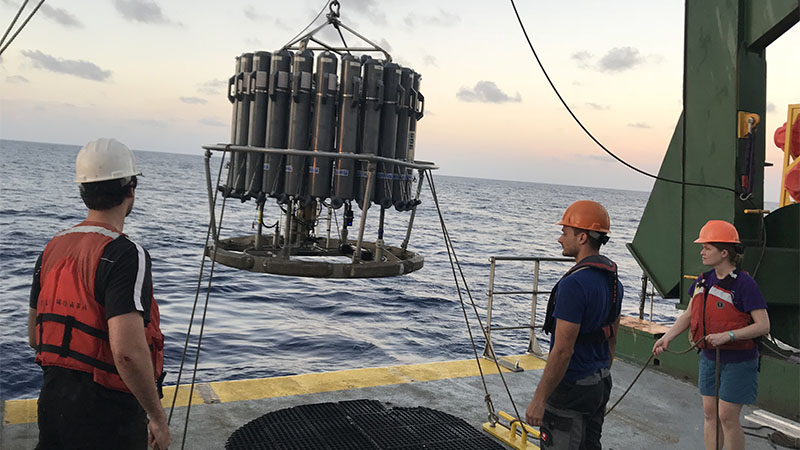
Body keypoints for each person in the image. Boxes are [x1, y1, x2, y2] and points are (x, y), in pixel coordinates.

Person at [27, 138, 171, 450]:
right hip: (109, 419)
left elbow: (35, 336)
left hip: (53, 408)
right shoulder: (125, 254)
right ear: (130, 189)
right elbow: (127, 352)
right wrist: (156, 416)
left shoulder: (53, 247)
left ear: (83, 191)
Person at [653, 220, 769, 450]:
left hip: (738, 361)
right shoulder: (702, 280)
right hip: (708, 358)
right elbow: (689, 315)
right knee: (709, 414)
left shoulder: (745, 284)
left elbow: (763, 325)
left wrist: (729, 335)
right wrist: (668, 337)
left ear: (724, 252)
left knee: (727, 416)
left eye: (707, 247)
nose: (702, 252)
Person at [526, 200, 623, 450]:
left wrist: (539, 399)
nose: (560, 239)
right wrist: (602, 370)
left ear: (581, 238)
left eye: (564, 232)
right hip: (599, 383)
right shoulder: (613, 281)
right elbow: (612, 336)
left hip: (572, 388)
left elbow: (563, 350)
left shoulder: (573, 285)